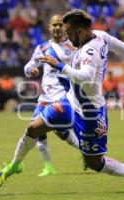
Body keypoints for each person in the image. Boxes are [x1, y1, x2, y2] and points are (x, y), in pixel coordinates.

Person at [3, 9, 124, 192]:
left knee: (94, 162)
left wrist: (59, 65)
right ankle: (15, 165)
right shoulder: (102, 36)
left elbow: (86, 77)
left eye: (69, 32)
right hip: (69, 103)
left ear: (80, 31)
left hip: (90, 113)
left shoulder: (88, 51)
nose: (67, 36)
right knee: (33, 128)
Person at [23, 14, 80, 176]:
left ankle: (86, 152)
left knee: (63, 133)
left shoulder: (73, 47)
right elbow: (28, 65)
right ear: (49, 27)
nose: (57, 28)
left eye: (60, 25)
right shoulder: (42, 48)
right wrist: (30, 70)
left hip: (63, 97)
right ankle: (48, 167)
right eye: (54, 24)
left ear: (65, 27)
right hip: (44, 98)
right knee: (35, 130)